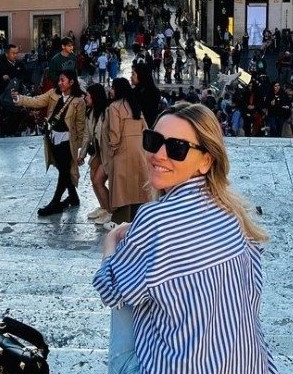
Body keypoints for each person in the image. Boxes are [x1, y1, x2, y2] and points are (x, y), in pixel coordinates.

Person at [93, 102, 278, 374]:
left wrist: (111, 244)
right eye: (153, 141)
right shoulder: (234, 214)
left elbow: (111, 292)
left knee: (124, 290)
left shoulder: (156, 220)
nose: (158, 155)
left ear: (206, 161)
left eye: (177, 148)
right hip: (249, 364)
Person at [11, 69, 86, 216]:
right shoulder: (53, 93)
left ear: (71, 82)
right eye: (59, 80)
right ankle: (73, 197)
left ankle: (55, 202)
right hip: (52, 137)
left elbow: (80, 126)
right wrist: (19, 99)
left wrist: (79, 151)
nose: (60, 83)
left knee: (64, 171)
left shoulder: (79, 101)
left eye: (63, 80)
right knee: (62, 169)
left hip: (67, 141)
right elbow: (37, 101)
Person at [105, 77, 151, 229]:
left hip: (122, 149)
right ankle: (138, 220)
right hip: (139, 149)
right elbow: (145, 128)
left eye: (112, 87)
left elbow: (115, 131)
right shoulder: (135, 105)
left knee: (122, 188)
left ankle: (120, 221)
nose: (111, 90)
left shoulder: (114, 107)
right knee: (138, 186)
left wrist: (112, 147)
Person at [77, 83, 111, 225]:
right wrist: (82, 154)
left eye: (87, 95)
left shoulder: (107, 113)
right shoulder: (90, 113)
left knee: (98, 181)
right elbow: (86, 135)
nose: (85, 98)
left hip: (107, 154)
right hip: (97, 152)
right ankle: (104, 207)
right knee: (93, 179)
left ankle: (110, 211)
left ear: (94, 97)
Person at [130, 62, 161, 129]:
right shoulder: (155, 91)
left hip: (139, 129)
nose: (131, 77)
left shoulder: (137, 93)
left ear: (141, 75)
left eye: (133, 74)